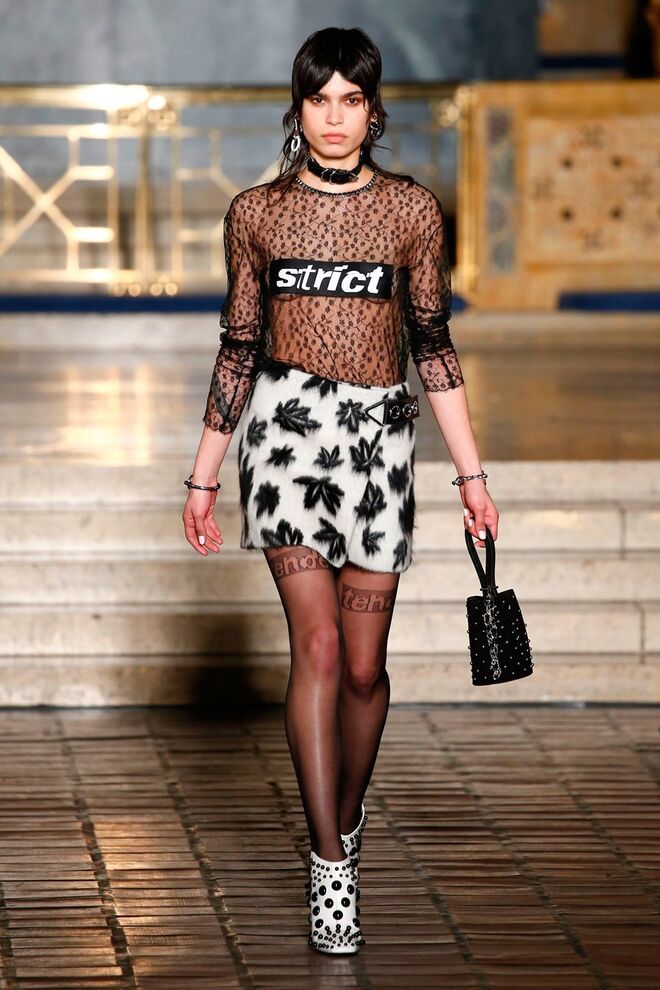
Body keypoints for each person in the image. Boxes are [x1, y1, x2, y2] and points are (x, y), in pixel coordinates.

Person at [182, 26, 499, 955]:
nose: (333, 117)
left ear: (372, 109)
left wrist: (472, 477)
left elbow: (432, 344)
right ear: (298, 108)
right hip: (284, 441)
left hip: (378, 444)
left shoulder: (411, 211)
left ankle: (344, 817)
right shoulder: (256, 215)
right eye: (318, 99)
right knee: (317, 646)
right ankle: (330, 865)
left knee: (363, 669)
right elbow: (239, 347)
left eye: (350, 100)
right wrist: (204, 475)